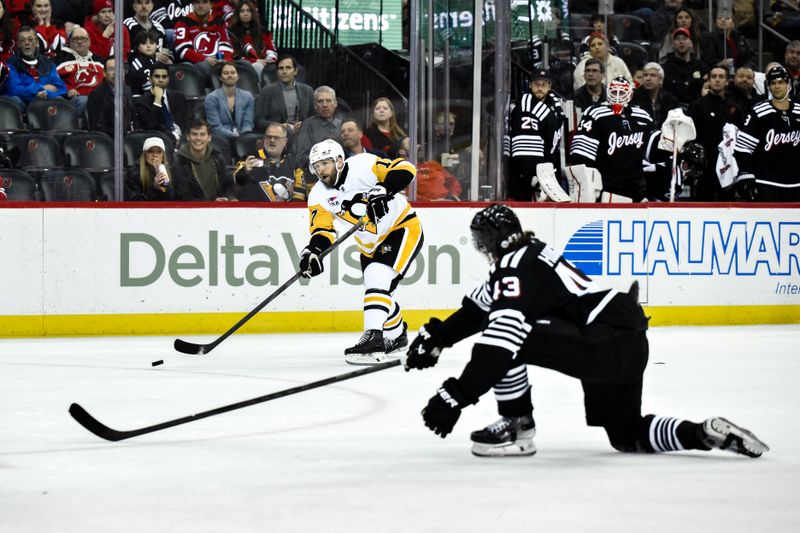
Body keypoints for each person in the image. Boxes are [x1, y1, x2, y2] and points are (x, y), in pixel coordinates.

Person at [405, 203, 770, 460]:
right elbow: (476, 311)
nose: (481, 250)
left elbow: (499, 338)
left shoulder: (514, 266)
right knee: (626, 434)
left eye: (481, 242)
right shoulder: (529, 256)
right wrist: (435, 338)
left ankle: (518, 425)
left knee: (507, 339)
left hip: (603, 338)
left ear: (494, 240)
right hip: (623, 341)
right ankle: (703, 432)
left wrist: (457, 395)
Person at [299, 138, 423, 365]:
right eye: (316, 166)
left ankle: (374, 338)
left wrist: (383, 190)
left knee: (377, 277)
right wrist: (312, 252)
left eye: (324, 164)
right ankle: (397, 337)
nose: (320, 170)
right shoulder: (318, 195)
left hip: (401, 227)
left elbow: (406, 169)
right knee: (381, 291)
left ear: (338, 161)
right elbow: (322, 230)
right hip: (368, 244)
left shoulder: (363, 164)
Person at [570, 76, 658, 202]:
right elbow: (581, 153)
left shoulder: (642, 116)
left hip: (635, 185)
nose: (617, 96)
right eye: (614, 92)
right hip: (605, 184)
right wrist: (589, 182)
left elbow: (654, 150)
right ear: (608, 92)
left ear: (630, 95)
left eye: (621, 92)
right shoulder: (596, 113)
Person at [733, 65, 800, 202]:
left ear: (789, 85)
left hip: (796, 183)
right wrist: (745, 173)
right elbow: (743, 148)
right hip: (766, 182)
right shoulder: (759, 111)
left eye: (781, 82)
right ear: (768, 86)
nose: (777, 86)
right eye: (773, 83)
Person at [507, 68, 564, 201]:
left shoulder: (556, 110)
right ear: (530, 85)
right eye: (536, 84)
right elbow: (524, 148)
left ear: (549, 86)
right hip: (528, 172)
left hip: (548, 169)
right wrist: (536, 171)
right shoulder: (524, 104)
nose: (539, 87)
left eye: (543, 84)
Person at [687, 65, 741, 200]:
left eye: (721, 77)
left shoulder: (734, 108)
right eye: (714, 77)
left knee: (728, 205)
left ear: (727, 81)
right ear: (709, 81)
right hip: (704, 166)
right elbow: (690, 136)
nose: (717, 80)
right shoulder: (697, 105)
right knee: (702, 206)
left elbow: (741, 138)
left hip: (728, 165)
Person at [234, 122, 306, 202]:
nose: (272, 140)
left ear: (285, 141)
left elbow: (300, 193)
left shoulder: (294, 163)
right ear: (264, 139)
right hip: (255, 210)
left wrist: (289, 210)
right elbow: (236, 181)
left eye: (276, 137)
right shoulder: (250, 158)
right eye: (269, 137)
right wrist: (245, 171)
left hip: (286, 212)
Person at [4, 25, 67, 110]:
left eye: (30, 39)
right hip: (23, 104)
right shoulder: (11, 64)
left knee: (60, 101)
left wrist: (45, 94)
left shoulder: (48, 63)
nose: (27, 43)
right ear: (18, 44)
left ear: (37, 42)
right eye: (22, 40)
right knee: (15, 101)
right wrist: (41, 88)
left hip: (47, 101)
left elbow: (61, 88)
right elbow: (15, 90)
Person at [173, 118, 236, 201]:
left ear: (209, 137)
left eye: (202, 134)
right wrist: (210, 204)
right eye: (194, 134)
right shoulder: (179, 161)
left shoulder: (216, 157)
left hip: (219, 208)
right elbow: (183, 196)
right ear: (188, 137)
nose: (198, 138)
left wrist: (232, 199)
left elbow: (226, 185)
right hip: (192, 210)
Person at [253, 54, 314, 134]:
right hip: (276, 135)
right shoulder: (267, 91)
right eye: (281, 68)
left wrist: (304, 124)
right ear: (277, 72)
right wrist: (279, 126)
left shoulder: (307, 91)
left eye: (288, 68)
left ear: (295, 71)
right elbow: (259, 121)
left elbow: (314, 117)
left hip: (302, 134)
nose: (284, 72)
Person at [174, 0, 232, 79]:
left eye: (204, 2)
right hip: (196, 64)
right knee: (206, 67)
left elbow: (226, 45)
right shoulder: (182, 23)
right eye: (197, 2)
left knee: (243, 65)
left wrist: (223, 59)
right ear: (193, 4)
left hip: (218, 61)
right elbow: (183, 50)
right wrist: (204, 58)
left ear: (211, 4)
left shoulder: (219, 22)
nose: (201, 6)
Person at [55, 25, 104, 115]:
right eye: (75, 39)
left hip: (98, 97)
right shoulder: (61, 59)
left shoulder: (99, 61)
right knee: (84, 101)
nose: (80, 41)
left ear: (89, 42)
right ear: (69, 41)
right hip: (75, 98)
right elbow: (55, 81)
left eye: (83, 38)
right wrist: (68, 90)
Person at [134, 62, 188, 143]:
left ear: (168, 79)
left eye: (164, 77)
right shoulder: (141, 102)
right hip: (162, 142)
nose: (160, 80)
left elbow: (187, 121)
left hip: (183, 139)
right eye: (157, 76)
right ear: (150, 79)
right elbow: (150, 126)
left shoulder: (178, 96)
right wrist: (157, 100)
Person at [203, 61, 254, 143]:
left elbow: (248, 123)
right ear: (220, 78)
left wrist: (244, 136)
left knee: (259, 149)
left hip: (243, 137)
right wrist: (234, 136)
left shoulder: (247, 96)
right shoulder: (212, 98)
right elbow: (216, 126)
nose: (230, 75)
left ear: (237, 76)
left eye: (233, 73)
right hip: (221, 138)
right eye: (226, 73)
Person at [397, 136, 461, 201]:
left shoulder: (433, 164)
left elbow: (452, 181)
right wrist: (431, 202)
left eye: (417, 143)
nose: (419, 145)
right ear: (402, 152)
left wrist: (454, 195)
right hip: (424, 208)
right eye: (412, 144)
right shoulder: (401, 170)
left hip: (448, 203)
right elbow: (406, 193)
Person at [292, 85, 341, 166]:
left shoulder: (342, 125)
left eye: (328, 100)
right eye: (320, 101)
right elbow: (301, 157)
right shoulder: (307, 125)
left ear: (335, 103)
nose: (325, 105)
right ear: (315, 106)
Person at [227, 0, 277, 79]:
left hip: (264, 63)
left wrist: (269, 60)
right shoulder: (231, 33)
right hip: (241, 66)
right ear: (238, 14)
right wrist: (255, 61)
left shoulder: (263, 32)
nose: (245, 13)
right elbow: (233, 56)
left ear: (253, 13)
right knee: (257, 66)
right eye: (242, 11)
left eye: (248, 11)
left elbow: (271, 49)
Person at [660, 27, 708, 109]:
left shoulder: (701, 66)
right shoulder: (666, 68)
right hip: (674, 109)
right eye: (678, 39)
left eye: (685, 38)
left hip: (698, 108)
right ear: (673, 44)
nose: (681, 42)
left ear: (691, 43)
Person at [87, 55, 134, 137]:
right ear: (104, 73)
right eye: (112, 69)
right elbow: (97, 126)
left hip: (128, 138)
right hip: (109, 139)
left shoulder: (127, 90)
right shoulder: (97, 94)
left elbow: (132, 117)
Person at [124, 136, 177, 201]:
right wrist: (154, 188)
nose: (155, 155)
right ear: (145, 154)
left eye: (159, 152)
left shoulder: (171, 171)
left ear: (163, 155)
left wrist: (165, 185)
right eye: (151, 151)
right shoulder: (133, 173)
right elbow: (136, 202)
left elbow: (174, 200)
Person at [631, 62, 680, 129]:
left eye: (653, 75)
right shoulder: (633, 97)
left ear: (660, 79)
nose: (648, 78)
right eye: (645, 75)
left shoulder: (670, 100)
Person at [126, 29, 159, 96]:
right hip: (139, 98)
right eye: (144, 43)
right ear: (138, 46)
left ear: (157, 45)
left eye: (152, 43)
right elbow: (147, 88)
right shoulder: (138, 63)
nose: (148, 46)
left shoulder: (154, 60)